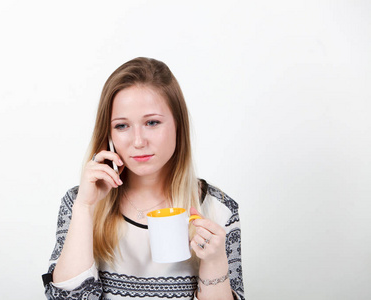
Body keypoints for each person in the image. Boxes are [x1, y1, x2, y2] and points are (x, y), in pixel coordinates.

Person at [42, 57, 245, 300]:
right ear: (108, 134)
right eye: (122, 126)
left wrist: (214, 261)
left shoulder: (218, 209)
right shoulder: (79, 202)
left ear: (178, 125)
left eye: (152, 122)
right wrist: (85, 207)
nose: (138, 141)